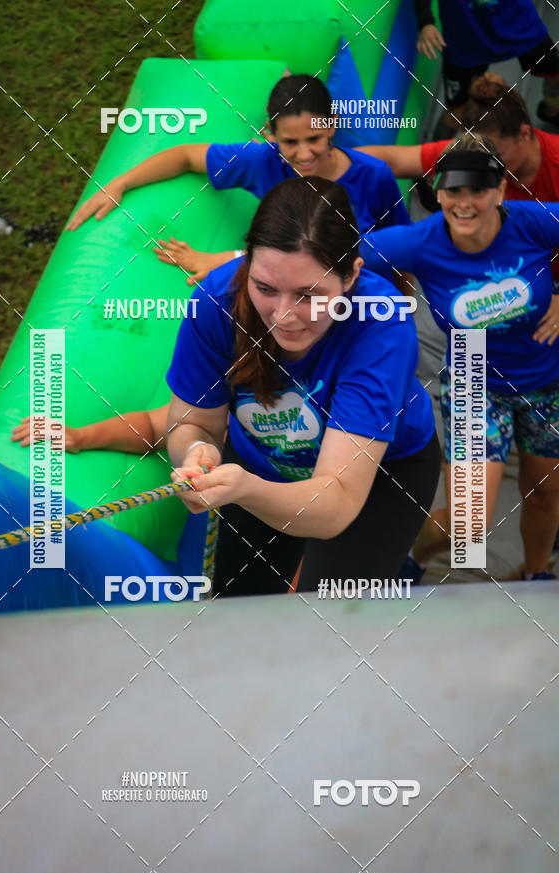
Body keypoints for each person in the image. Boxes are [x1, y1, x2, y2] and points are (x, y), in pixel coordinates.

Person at [164, 177, 439, 596]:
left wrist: (246, 488)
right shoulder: (214, 302)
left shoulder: (381, 324)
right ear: (247, 265)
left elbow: (337, 502)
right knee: (235, 609)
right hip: (261, 459)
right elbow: (193, 424)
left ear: (352, 276)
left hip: (384, 471)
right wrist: (197, 451)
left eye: (309, 294)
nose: (284, 316)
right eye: (264, 288)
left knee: (331, 624)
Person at [361, 135, 559, 582]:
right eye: (453, 190)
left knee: (546, 495)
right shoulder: (419, 242)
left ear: (501, 190)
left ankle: (536, 573)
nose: (465, 203)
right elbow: (329, 257)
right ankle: (417, 556)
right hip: (474, 373)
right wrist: (230, 260)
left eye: (478, 190)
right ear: (439, 192)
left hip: (548, 375)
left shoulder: (535, 224)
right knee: (469, 525)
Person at [67, 74, 411, 290]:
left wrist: (405, 308)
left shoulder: (372, 177)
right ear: (270, 134)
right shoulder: (263, 161)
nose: (304, 154)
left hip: (359, 301)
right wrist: (121, 183)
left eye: (315, 138)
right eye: (290, 142)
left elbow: (401, 252)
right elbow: (186, 156)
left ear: (333, 125)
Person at [362, 74, 559, 294]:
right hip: (506, 281)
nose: (486, 168)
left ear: (524, 134)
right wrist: (328, 161)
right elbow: (394, 160)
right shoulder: (474, 154)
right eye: (454, 191)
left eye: (499, 156)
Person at [412, 0, 559, 138]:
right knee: (457, 112)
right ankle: (435, 157)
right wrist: (426, 23)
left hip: (517, 21)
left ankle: (551, 110)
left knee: (555, 72)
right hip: (465, 38)